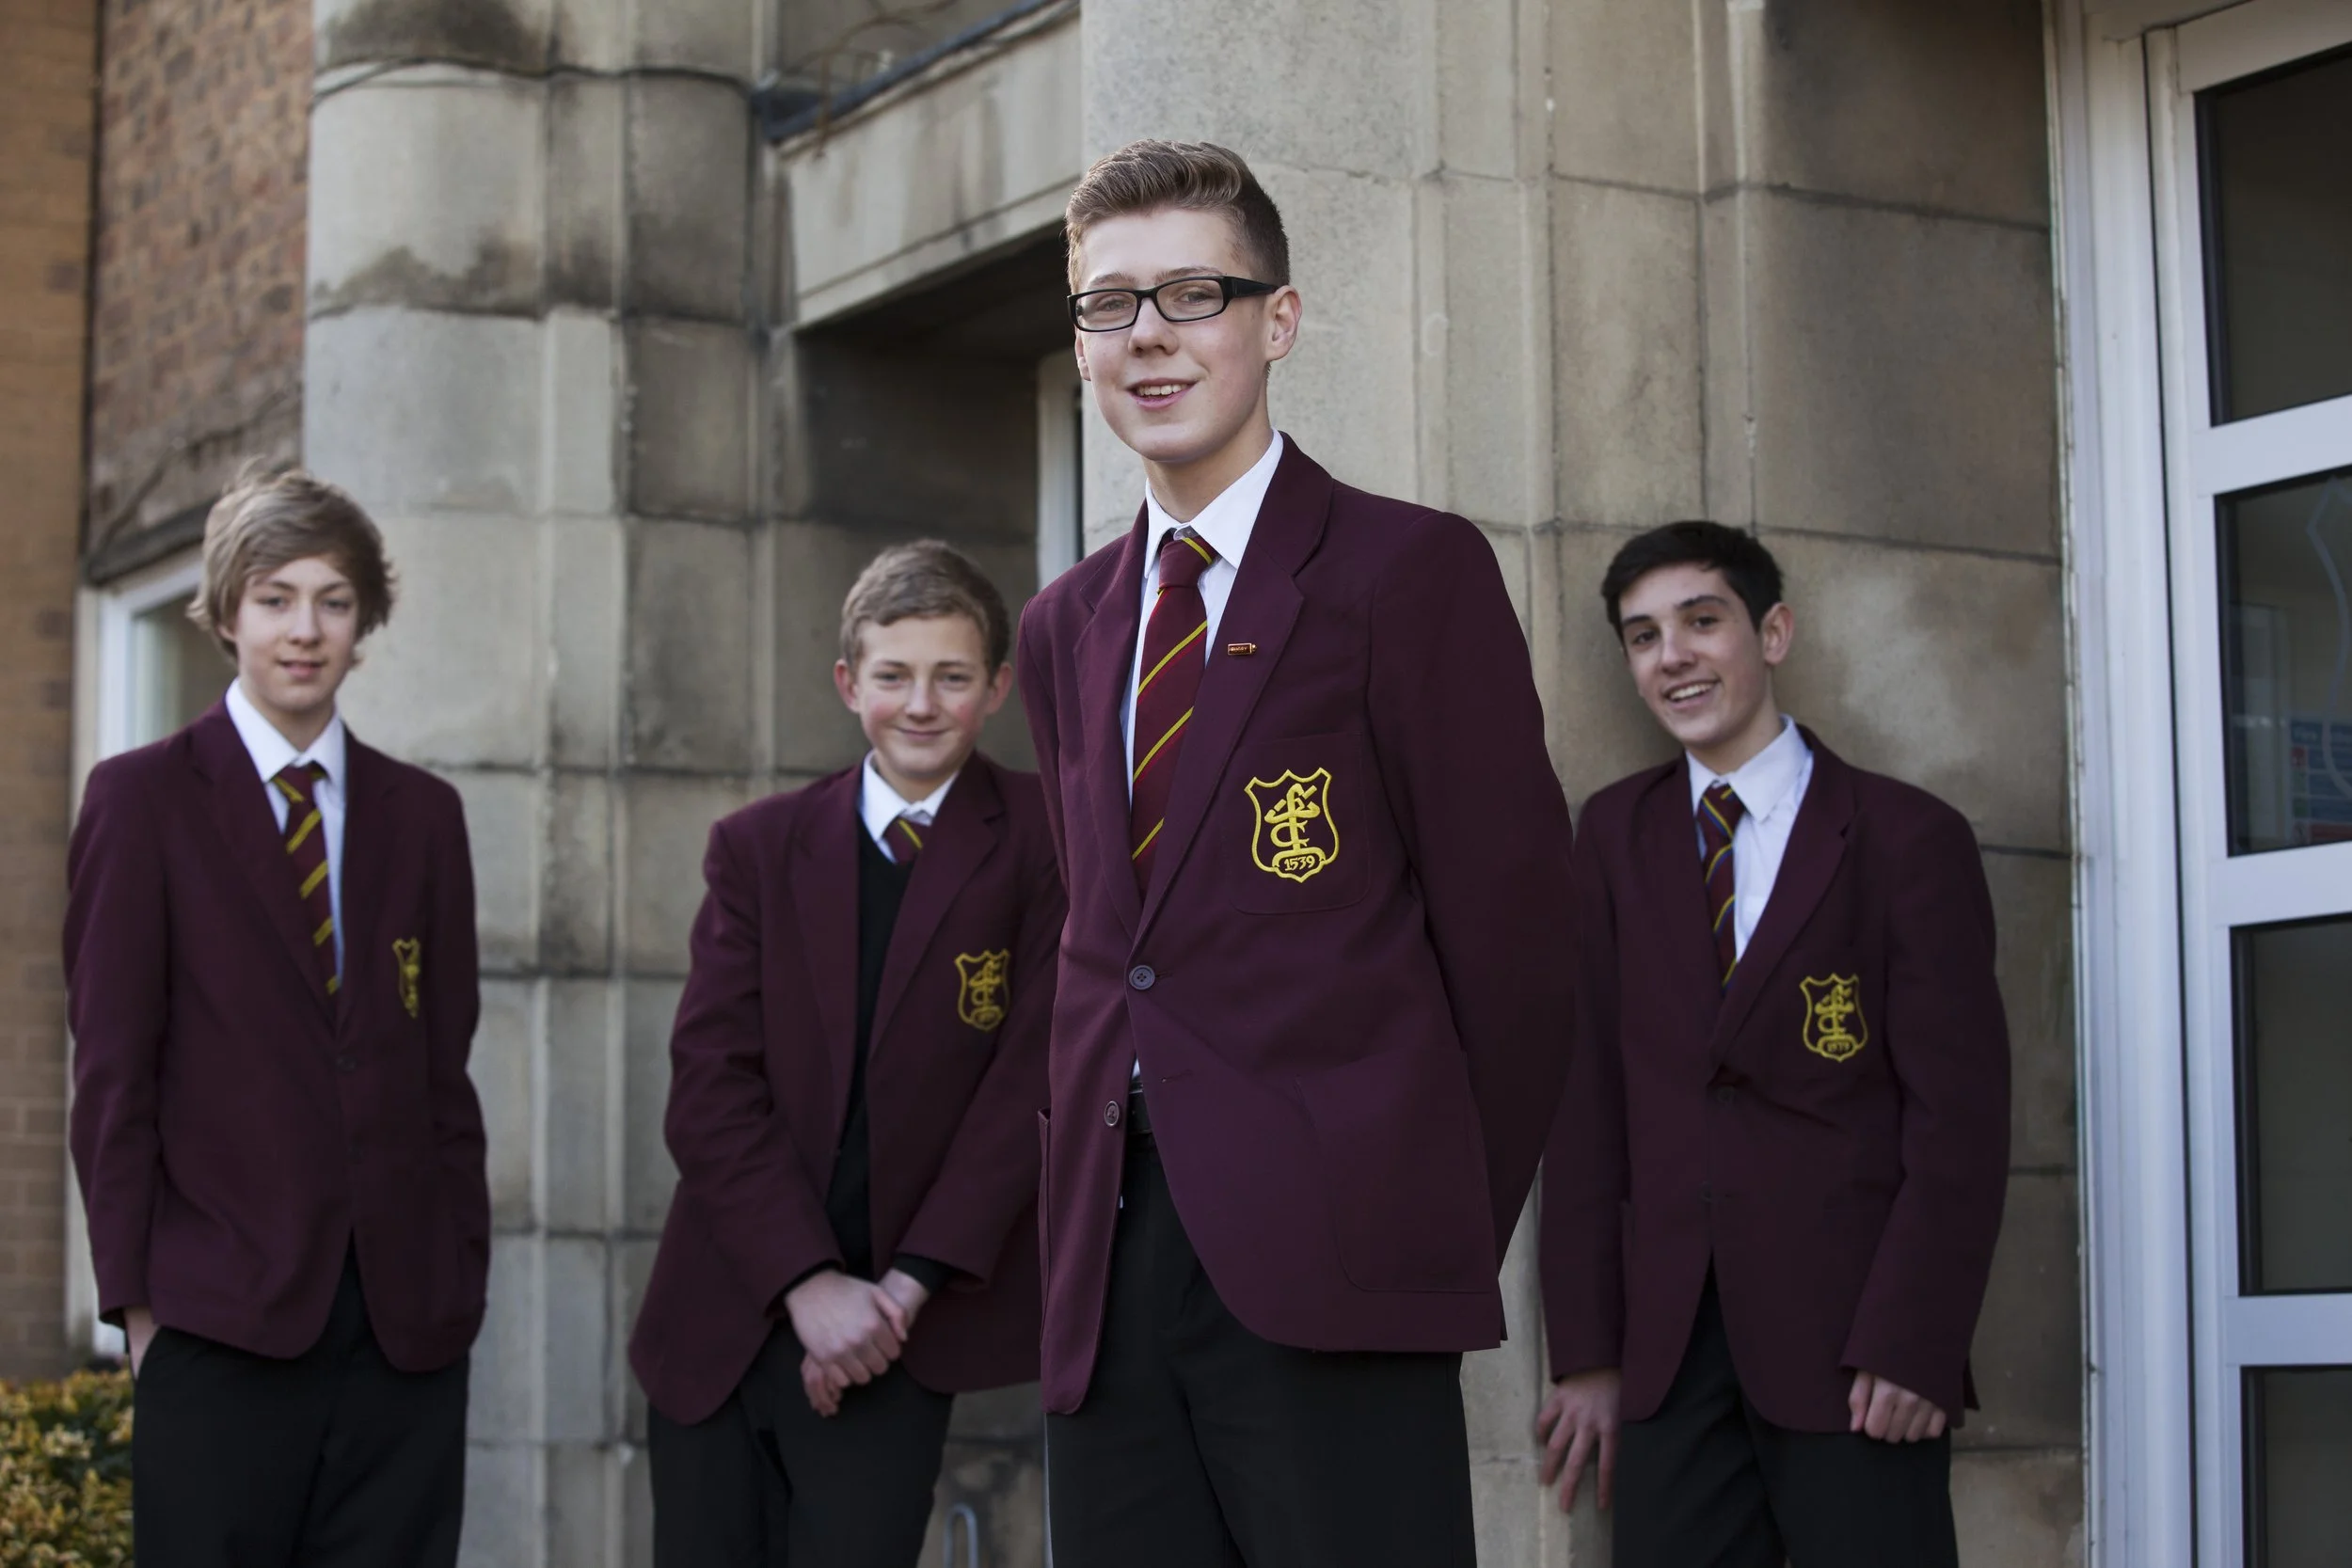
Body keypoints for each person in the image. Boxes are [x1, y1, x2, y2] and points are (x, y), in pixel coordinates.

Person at [1017, 139, 1576, 1568]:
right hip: (1109, 1265)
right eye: (1109, 303)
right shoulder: (1064, 626)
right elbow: (1099, 946)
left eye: (1193, 293)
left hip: (1339, 1254)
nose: (1148, 333)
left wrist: (1411, 1210)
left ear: (1279, 320)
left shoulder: (1408, 574)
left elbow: (1517, 961)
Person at [1534, 520, 2010, 1567]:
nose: (1674, 656)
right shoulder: (1610, 834)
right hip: (1667, 1352)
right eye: (1643, 635)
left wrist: (1914, 1337)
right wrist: (1588, 1351)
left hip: (1855, 1349)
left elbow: (1958, 1123)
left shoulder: (1905, 838)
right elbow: (1585, 1104)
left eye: (1702, 621)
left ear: (1774, 631)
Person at [65, 464, 488, 1568]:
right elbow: (115, 1074)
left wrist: (457, 1281)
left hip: (402, 1334)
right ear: (224, 614)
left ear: (365, 621)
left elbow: (444, 1073)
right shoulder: (141, 800)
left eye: (334, 600)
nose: (305, 629)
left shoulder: (424, 818)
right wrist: (139, 1313)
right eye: (275, 598)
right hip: (217, 1322)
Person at [630, 541, 1062, 1567]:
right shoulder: (759, 847)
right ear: (846, 683)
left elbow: (1029, 1088)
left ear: (996, 687)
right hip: (726, 1316)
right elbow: (709, 1090)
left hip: (898, 1328)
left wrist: (894, 1293)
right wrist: (806, 1283)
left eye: (952, 676)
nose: (921, 703)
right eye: (893, 675)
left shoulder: (1046, 840)